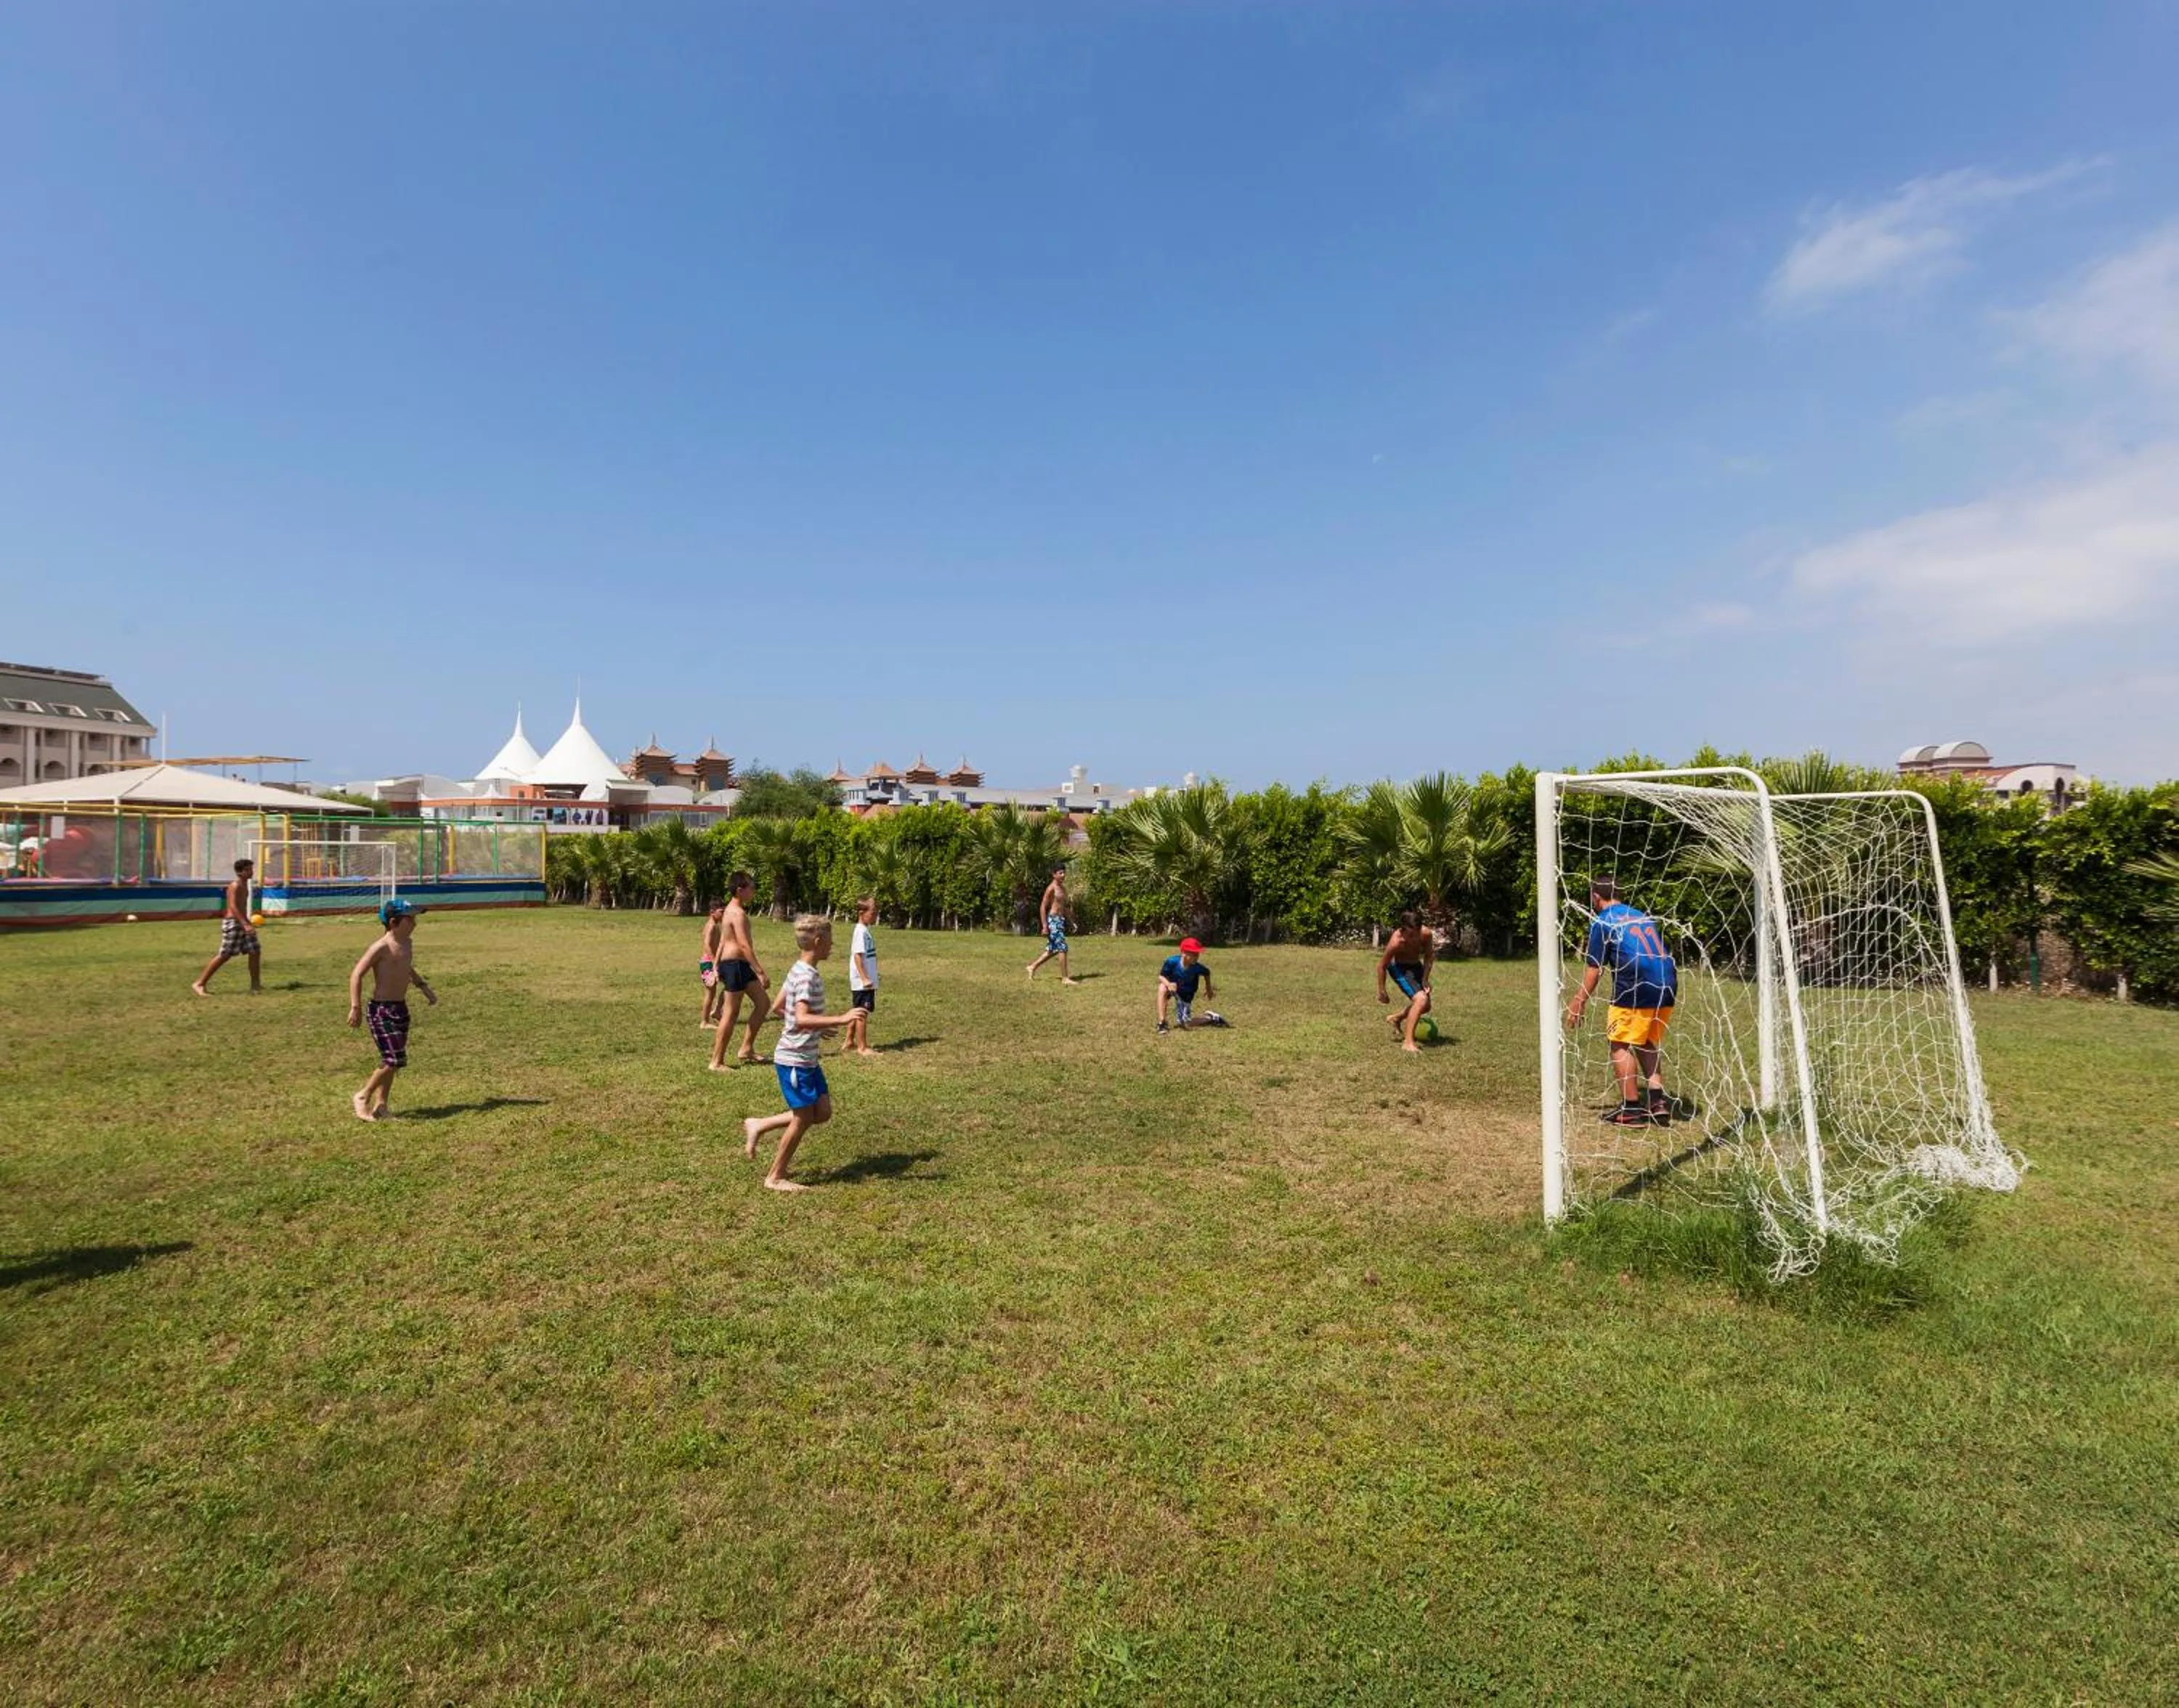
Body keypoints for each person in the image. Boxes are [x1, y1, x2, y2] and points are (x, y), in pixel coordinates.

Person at [741, 914, 859, 1191]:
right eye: (829, 940)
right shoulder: (806, 976)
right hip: (794, 1059)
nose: (832, 945)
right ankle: (775, 1177)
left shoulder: (799, 969)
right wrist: (839, 1019)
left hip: (806, 1058)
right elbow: (802, 1017)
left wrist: (817, 1028)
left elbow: (780, 1007)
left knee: (822, 1112)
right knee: (804, 1117)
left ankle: (760, 1124)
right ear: (818, 941)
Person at [1565, 876, 1680, 1126]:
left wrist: (1578, 1001)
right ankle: (1657, 1101)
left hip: (1637, 984)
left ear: (1596, 896)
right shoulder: (1641, 915)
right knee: (1646, 1040)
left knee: (1620, 1043)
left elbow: (1595, 971)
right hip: (1667, 982)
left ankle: (1631, 1109)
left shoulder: (1603, 921)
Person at [346, 898, 437, 1121]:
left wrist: (423, 986)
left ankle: (382, 1106)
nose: (415, 924)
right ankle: (363, 1096)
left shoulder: (407, 943)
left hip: (400, 1008)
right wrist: (355, 1006)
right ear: (394, 922)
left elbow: (406, 967)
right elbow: (357, 974)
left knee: (390, 1062)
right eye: (410, 919)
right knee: (394, 1060)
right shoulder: (381, 947)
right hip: (381, 1011)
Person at [707, 873, 774, 1070]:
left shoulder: (731, 910)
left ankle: (746, 1049)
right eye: (751, 888)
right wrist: (760, 972)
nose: (754, 891)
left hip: (739, 966)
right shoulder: (737, 913)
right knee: (730, 1013)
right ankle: (716, 1062)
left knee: (763, 1003)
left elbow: (723, 942)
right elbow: (744, 946)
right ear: (740, 890)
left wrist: (715, 965)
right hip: (736, 966)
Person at [192, 858, 261, 996]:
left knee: (255, 951)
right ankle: (199, 983)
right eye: (248, 869)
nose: (251, 872)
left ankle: (256, 985)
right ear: (240, 872)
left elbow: (242, 907)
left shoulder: (245, 885)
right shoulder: (235, 886)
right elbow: (233, 907)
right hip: (233, 923)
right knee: (225, 955)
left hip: (243, 922)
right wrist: (245, 924)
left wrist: (248, 923)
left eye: (251, 869)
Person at [1375, 910, 1437, 1052]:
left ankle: (1396, 1018)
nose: (1414, 937)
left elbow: (1428, 957)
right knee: (1421, 1000)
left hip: (1416, 967)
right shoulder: (1397, 941)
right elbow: (1382, 966)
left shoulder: (1426, 934)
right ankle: (1408, 1042)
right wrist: (1382, 991)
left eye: (1417, 932)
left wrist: (1425, 979)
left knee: (1426, 1006)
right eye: (1410, 934)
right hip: (1399, 968)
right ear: (1403, 929)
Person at [1156, 937, 1227, 1031]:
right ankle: (1162, 1023)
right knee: (1162, 987)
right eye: (1193, 954)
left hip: (1187, 993)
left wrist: (1209, 989)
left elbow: (1207, 973)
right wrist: (1168, 984)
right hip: (1173, 988)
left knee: (1186, 1023)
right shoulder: (1172, 962)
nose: (1197, 957)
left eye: (1197, 954)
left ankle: (1211, 1018)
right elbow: (1161, 977)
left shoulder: (1197, 968)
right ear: (1184, 953)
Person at [1026, 864, 1079, 984]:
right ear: (1054, 875)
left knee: (1053, 949)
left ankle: (1032, 967)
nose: (1063, 875)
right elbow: (1043, 907)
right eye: (1060, 873)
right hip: (1053, 921)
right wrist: (1045, 926)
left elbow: (1064, 908)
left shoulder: (1063, 888)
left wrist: (1071, 922)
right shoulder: (1051, 888)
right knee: (1062, 948)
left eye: (1064, 873)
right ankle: (1065, 978)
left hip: (1060, 921)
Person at [844, 895, 880, 1057]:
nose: (876, 914)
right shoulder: (860, 932)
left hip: (867, 979)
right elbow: (858, 956)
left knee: (857, 1010)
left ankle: (849, 1041)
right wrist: (865, 978)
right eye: (873, 912)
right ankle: (862, 1047)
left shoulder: (865, 930)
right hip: (862, 981)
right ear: (861, 912)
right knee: (862, 1012)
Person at [698, 901, 728, 1028]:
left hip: (714, 962)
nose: (723, 914)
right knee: (710, 992)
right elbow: (707, 945)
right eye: (721, 912)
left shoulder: (715, 926)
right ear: (712, 912)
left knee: (732, 985)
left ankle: (717, 1011)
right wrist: (714, 961)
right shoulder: (711, 926)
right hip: (709, 963)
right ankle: (704, 1022)